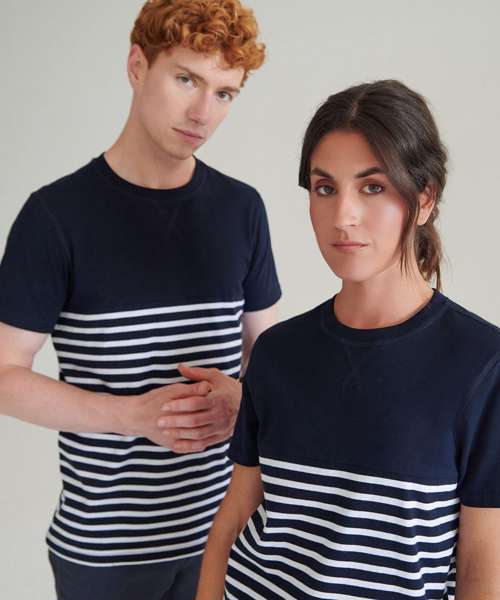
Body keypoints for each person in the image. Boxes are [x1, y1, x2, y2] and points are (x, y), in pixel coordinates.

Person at [0, 1, 281, 599]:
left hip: (227, 539)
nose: (203, 113)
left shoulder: (241, 210)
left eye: (224, 93)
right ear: (136, 66)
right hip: (105, 555)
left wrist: (243, 399)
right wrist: (131, 416)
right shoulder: (55, 217)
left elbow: (267, 356)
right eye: (186, 79)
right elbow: (3, 375)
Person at [195, 80, 500, 600]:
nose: (343, 217)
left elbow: (480, 566)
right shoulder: (277, 353)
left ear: (424, 198)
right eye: (325, 188)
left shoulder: (482, 365)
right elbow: (237, 514)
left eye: (372, 187)